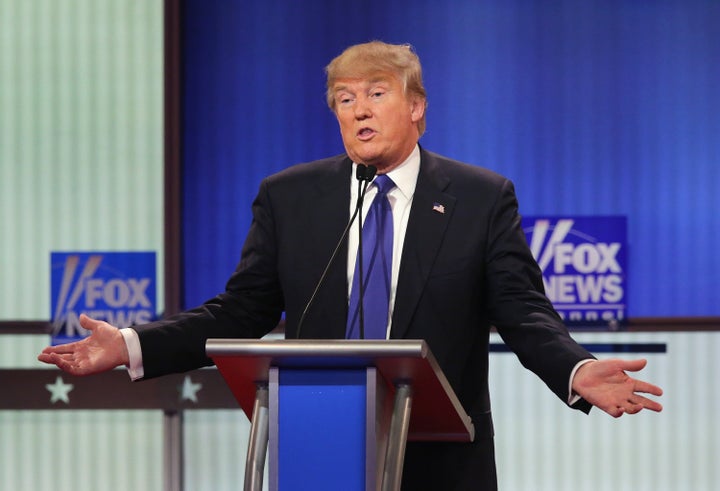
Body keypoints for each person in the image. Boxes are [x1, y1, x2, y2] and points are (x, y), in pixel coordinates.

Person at [39, 41, 662, 490]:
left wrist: (575, 368)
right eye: (344, 99)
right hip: (320, 449)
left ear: (416, 107)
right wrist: (130, 344)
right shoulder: (291, 196)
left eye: (376, 94)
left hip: (440, 462)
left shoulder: (479, 197)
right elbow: (243, 311)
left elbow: (523, 311)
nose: (358, 109)